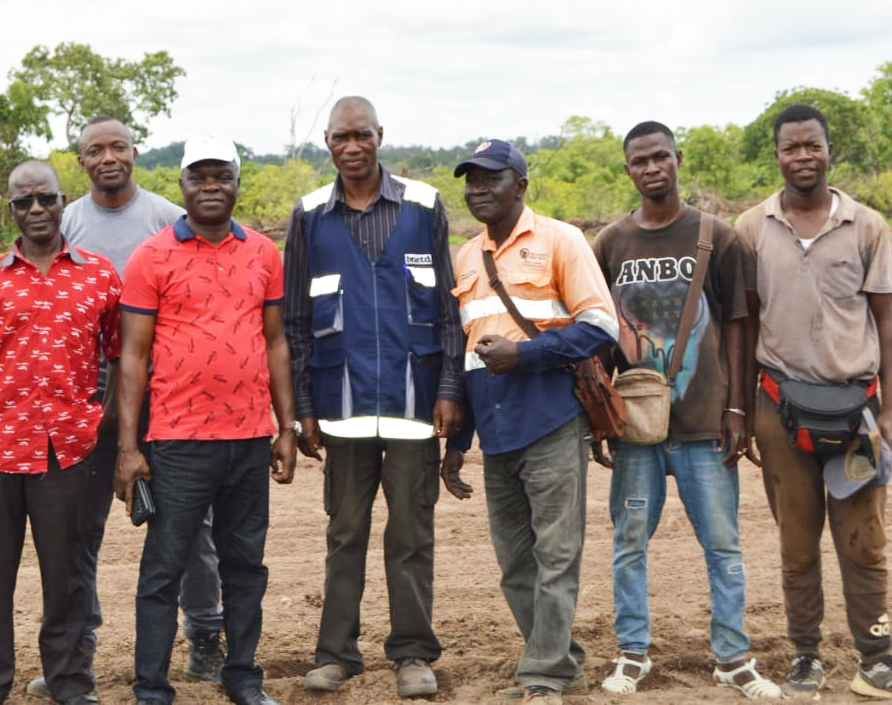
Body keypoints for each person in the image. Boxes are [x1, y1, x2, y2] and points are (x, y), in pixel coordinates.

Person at [27, 117, 225, 700]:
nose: (108, 157)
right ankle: (74, 652)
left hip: (164, 397)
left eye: (117, 147)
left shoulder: (168, 216)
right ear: (80, 161)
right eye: (95, 150)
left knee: (189, 528)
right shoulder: (65, 224)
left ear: (135, 153)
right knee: (75, 532)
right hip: (83, 401)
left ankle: (207, 637)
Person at [591, 122, 779, 699]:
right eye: (639, 161)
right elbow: (596, 334)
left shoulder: (717, 237)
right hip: (637, 427)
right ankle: (632, 652)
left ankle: (733, 658)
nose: (651, 168)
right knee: (629, 544)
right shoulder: (609, 244)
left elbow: (741, 327)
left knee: (722, 545)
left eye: (660, 157)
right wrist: (601, 414)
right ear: (628, 171)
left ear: (678, 160)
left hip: (706, 423)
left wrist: (739, 408)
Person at [282, 95, 462, 698]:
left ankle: (413, 653)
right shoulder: (309, 215)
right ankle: (337, 654)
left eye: (362, 135)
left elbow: (448, 310)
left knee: (411, 534)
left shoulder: (423, 205)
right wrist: (304, 406)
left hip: (416, 405)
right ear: (327, 144)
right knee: (345, 532)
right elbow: (299, 323)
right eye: (340, 138)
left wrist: (448, 387)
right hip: (341, 407)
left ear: (380, 136)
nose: (352, 147)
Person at [115, 135, 297, 705]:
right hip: (176, 440)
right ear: (182, 185)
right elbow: (133, 356)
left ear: (239, 182)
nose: (212, 186)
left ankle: (242, 677)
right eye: (200, 177)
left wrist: (285, 427)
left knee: (246, 566)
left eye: (223, 176)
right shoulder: (152, 256)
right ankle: (152, 687)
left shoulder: (265, 254)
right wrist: (129, 447)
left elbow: (276, 343)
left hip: (248, 438)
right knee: (164, 569)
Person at [442, 139, 618, 704]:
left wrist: (526, 356)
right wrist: (457, 444)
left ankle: (543, 676)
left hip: (552, 421)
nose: (477, 190)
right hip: (494, 433)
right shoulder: (465, 258)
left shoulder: (561, 240)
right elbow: (466, 355)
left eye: (490, 179)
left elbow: (601, 325)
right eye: (470, 181)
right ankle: (563, 659)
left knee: (557, 554)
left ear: (520, 184)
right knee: (516, 562)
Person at [0, 161, 121, 705]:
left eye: (46, 199)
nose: (36, 210)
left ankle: (70, 684)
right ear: (11, 210)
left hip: (68, 451)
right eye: (24, 202)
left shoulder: (100, 275)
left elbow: (123, 355)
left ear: (64, 202)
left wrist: (102, 420)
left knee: (67, 578)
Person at [736, 103, 892, 700]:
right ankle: (805, 656)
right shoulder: (753, 228)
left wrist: (888, 410)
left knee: (865, 540)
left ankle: (875, 657)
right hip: (780, 406)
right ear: (776, 156)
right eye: (790, 147)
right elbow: (746, 325)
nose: (802, 156)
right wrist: (748, 410)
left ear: (831, 152)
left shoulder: (868, 226)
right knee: (797, 541)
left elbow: (885, 318)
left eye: (812, 146)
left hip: (858, 411)